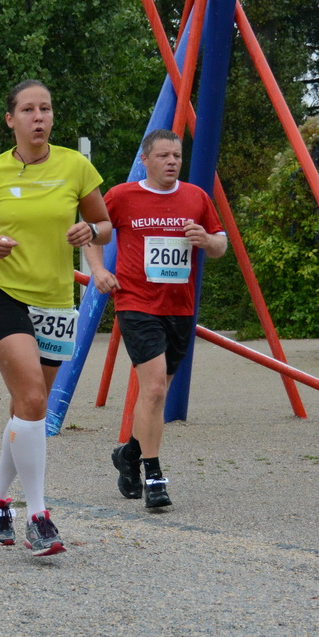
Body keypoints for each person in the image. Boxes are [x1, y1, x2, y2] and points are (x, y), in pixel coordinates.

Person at [0, 79, 110, 556]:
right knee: (31, 395)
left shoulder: (76, 166)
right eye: (28, 110)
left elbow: (104, 224)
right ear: (11, 119)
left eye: (45, 109)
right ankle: (38, 516)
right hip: (2, 294)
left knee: (29, 407)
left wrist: (91, 229)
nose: (38, 117)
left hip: (55, 302)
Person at [84, 129, 227, 511]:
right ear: (145, 160)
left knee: (158, 390)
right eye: (163, 155)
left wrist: (206, 241)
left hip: (178, 308)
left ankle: (128, 455)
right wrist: (98, 271)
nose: (171, 162)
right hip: (136, 303)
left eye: (177, 156)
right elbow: (93, 234)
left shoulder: (196, 197)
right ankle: (154, 475)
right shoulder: (122, 196)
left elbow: (220, 244)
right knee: (155, 391)